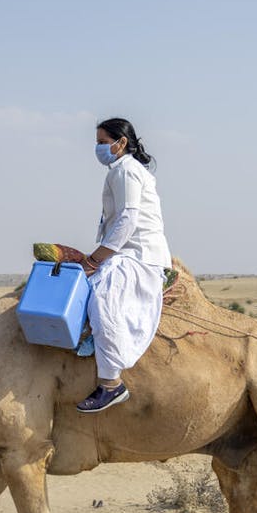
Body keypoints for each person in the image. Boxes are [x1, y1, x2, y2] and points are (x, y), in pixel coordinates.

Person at [76, 117, 172, 413]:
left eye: (103, 143)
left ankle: (111, 384)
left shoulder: (126, 171)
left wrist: (95, 258)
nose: (98, 149)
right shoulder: (122, 170)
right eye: (97, 143)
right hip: (128, 252)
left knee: (104, 300)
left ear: (121, 143)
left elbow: (128, 218)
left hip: (138, 255)